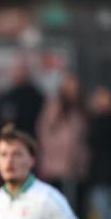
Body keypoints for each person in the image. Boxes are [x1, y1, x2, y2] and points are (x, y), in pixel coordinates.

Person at [36, 73, 87, 211]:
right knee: (55, 197)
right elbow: (45, 129)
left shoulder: (80, 109)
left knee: (75, 199)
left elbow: (83, 135)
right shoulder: (54, 106)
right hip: (55, 160)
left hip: (74, 162)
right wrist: (51, 149)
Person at [85, 86, 111, 219]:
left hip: (105, 167)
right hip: (97, 167)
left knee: (102, 197)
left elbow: (98, 138)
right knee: (99, 198)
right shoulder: (96, 118)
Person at [0, 58, 45, 138]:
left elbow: (43, 121)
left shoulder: (36, 97)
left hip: (29, 139)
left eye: (24, 70)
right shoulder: (6, 95)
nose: (21, 73)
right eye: (18, 70)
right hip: (9, 139)